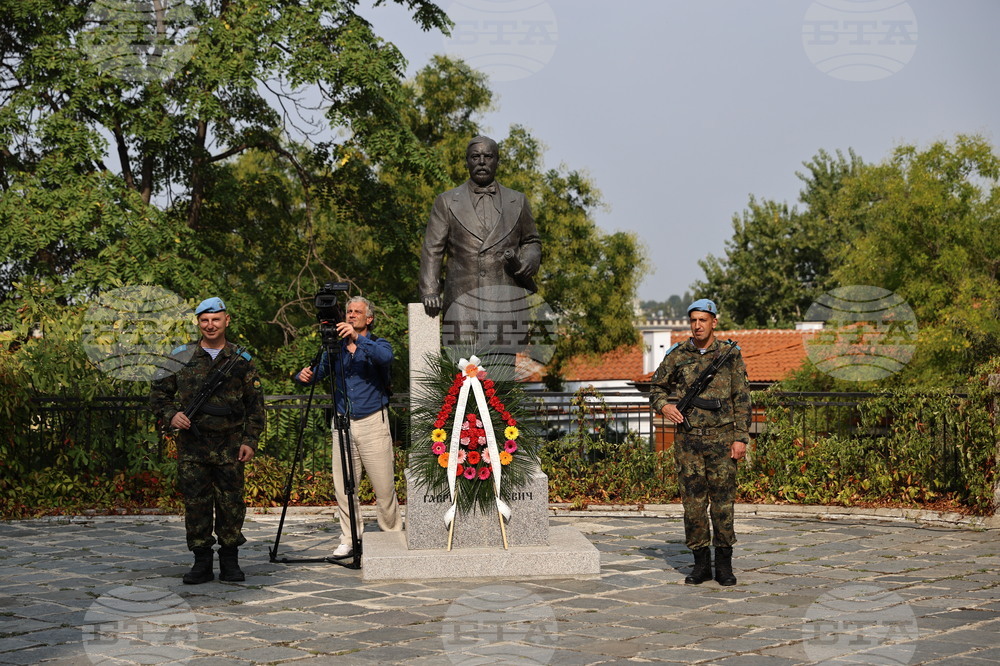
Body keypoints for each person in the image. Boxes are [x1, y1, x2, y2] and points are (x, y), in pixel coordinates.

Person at [150, 297, 264, 584]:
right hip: (193, 446)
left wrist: (250, 440)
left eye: (215, 319)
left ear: (226, 320)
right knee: (196, 504)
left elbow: (255, 405)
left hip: (230, 445)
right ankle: (201, 561)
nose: (210, 325)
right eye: (204, 320)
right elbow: (158, 394)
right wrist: (172, 415)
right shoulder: (181, 356)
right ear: (198, 322)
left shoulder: (241, 359)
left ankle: (229, 560)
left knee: (231, 503)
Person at [650, 298, 751, 586]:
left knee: (722, 505)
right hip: (689, 442)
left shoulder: (730, 355)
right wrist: (665, 406)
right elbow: (656, 388)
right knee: (693, 506)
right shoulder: (678, 355)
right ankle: (701, 565)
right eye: (693, 320)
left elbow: (742, 399)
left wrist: (740, 438)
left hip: (722, 441)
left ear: (714, 322)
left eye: (703, 320)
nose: (697, 325)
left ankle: (724, 566)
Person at [294, 296, 402, 558]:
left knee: (384, 487)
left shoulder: (377, 343)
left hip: (373, 422)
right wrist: (302, 376)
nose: (352, 315)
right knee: (344, 487)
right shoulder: (336, 348)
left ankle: (392, 536)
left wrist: (357, 339)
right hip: (342, 423)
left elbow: (386, 358)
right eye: (349, 311)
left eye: (357, 312)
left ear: (369, 318)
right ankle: (350, 538)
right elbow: (318, 373)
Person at [419, 135, 542, 322]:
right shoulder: (446, 201)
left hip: (506, 300)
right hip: (462, 300)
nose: (482, 162)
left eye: (488, 156)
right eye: (475, 157)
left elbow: (531, 240)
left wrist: (531, 258)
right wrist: (430, 290)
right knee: (462, 343)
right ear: (467, 162)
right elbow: (432, 249)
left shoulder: (517, 201)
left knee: (505, 342)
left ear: (497, 161)